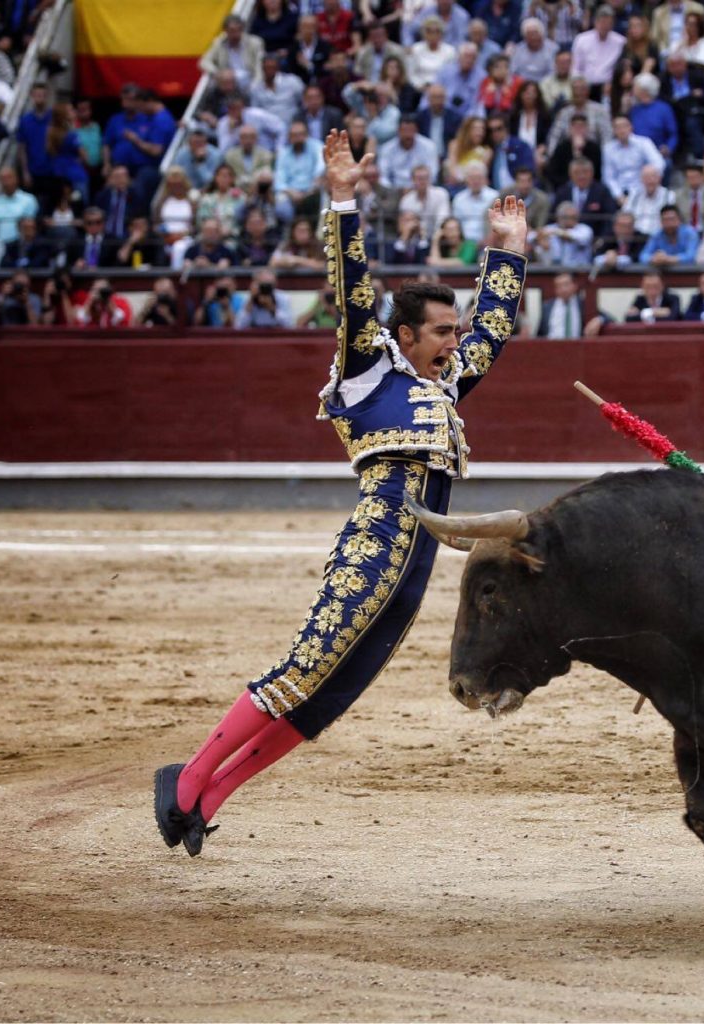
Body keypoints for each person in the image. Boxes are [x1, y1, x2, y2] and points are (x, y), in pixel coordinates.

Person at [153, 131, 529, 857]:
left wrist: (507, 250)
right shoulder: (367, 366)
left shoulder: (443, 381)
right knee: (307, 664)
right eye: (442, 333)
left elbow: (494, 328)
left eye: (455, 332)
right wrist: (344, 197)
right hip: (380, 530)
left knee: (336, 689)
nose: (456, 343)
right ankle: (187, 777)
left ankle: (208, 798)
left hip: (418, 547)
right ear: (405, 335)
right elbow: (351, 280)